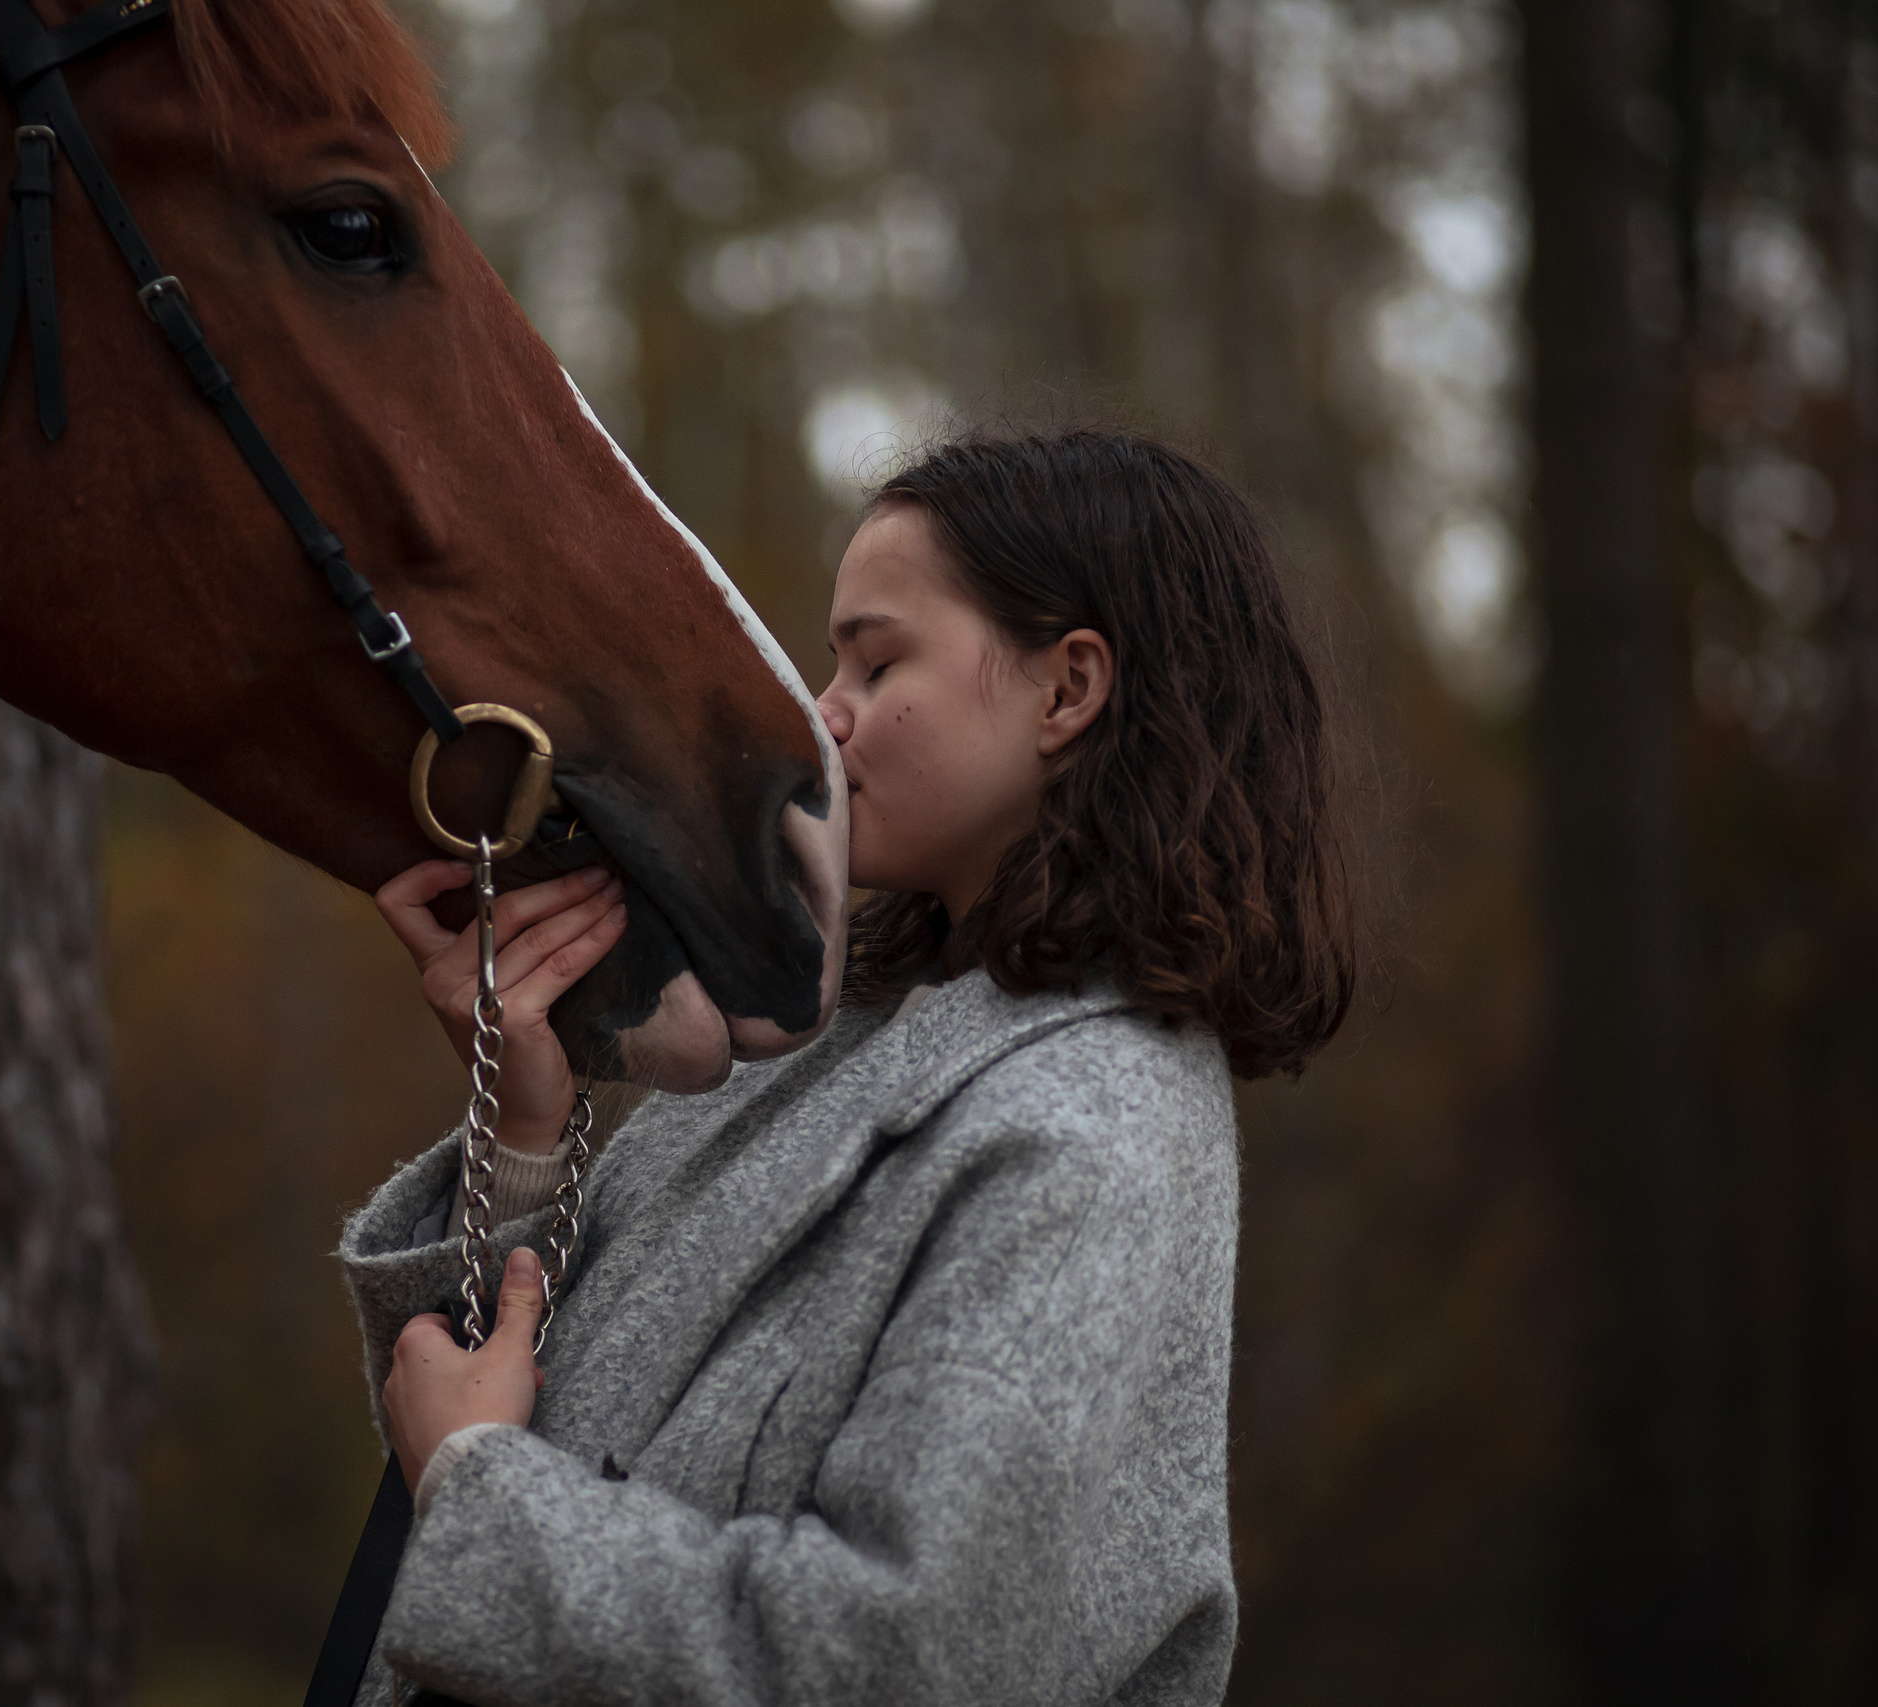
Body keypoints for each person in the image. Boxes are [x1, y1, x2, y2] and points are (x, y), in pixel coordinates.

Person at [341, 426, 1356, 1706]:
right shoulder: (827, 1039)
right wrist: (528, 1136)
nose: (823, 713)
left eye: (876, 662)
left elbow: (902, 1660)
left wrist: (479, 1493)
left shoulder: (1092, 1134)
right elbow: (509, 1398)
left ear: (1067, 689)